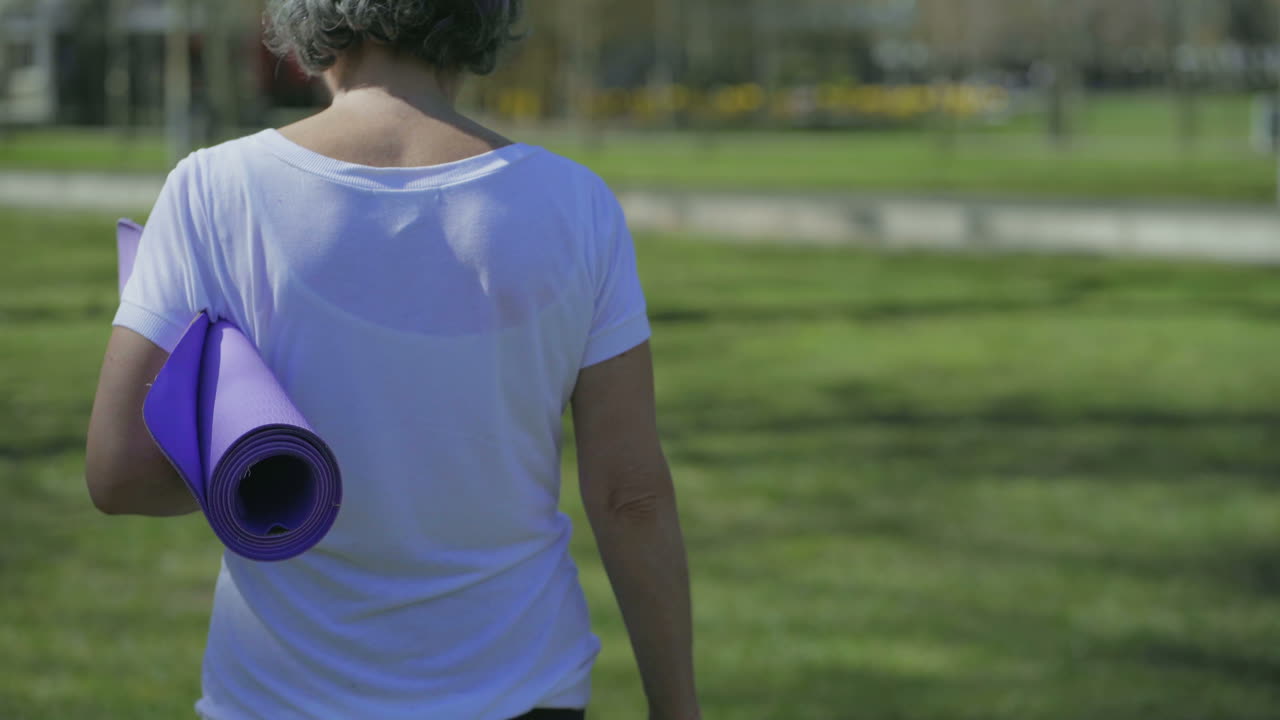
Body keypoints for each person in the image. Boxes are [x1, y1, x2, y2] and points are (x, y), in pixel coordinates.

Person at [83, 2, 700, 718]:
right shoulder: (576, 204)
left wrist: (256, 481)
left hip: (283, 696)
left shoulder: (212, 190)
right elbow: (631, 497)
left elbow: (117, 473)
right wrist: (676, 708)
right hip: (519, 687)